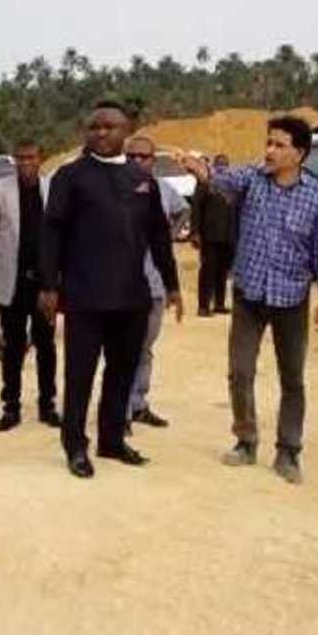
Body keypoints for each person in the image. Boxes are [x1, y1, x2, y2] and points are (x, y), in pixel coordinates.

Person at [182, 116, 318, 485]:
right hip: (249, 294)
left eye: (280, 145)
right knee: (240, 371)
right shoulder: (252, 180)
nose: (270, 150)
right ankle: (246, 440)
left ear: (299, 154)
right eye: (269, 142)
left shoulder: (316, 196)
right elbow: (218, 181)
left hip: (291, 298)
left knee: (292, 378)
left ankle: (288, 451)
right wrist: (199, 169)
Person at [39, 101, 182, 479]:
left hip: (131, 296)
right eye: (94, 127)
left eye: (109, 127)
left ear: (126, 132)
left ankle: (112, 439)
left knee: (121, 372)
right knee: (80, 375)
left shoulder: (142, 179)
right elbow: (51, 232)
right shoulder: (69, 177)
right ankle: (75, 446)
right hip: (85, 296)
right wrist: (48, 285)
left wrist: (172, 284)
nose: (100, 133)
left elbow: (158, 236)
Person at [0, 140, 60, 432]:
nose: (26, 163)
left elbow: (61, 233)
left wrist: (54, 280)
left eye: (31, 158)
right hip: (11, 282)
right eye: (21, 158)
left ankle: (47, 405)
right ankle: (10, 407)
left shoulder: (53, 189)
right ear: (14, 160)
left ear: (41, 159)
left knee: (46, 345)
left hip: (45, 284)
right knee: (13, 346)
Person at [124, 134, 189, 430]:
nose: (138, 161)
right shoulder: (114, 189)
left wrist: (169, 236)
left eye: (144, 157)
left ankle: (138, 404)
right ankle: (119, 411)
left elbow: (183, 211)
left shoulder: (163, 191)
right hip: (120, 285)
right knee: (122, 349)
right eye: (132, 156)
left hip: (154, 283)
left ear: (153, 161)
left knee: (145, 348)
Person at [191, 152, 235, 315]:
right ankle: (203, 306)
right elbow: (196, 207)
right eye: (220, 164)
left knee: (223, 271)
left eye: (225, 164)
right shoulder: (205, 183)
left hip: (228, 236)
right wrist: (195, 232)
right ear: (215, 166)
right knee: (208, 271)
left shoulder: (232, 185)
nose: (222, 167)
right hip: (209, 236)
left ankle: (219, 304)